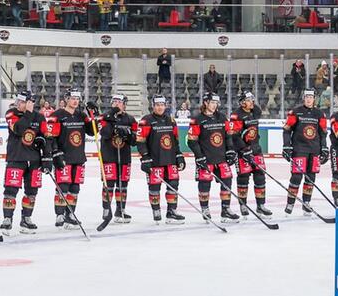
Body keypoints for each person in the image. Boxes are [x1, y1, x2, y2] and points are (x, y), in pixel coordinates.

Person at [0, 90, 50, 236]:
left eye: (24, 102)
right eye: (19, 101)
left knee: (32, 191)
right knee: (10, 190)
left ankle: (26, 218)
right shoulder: (11, 113)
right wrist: (28, 113)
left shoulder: (40, 117)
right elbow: (19, 129)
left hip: (34, 160)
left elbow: (47, 138)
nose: (19, 104)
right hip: (16, 158)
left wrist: (47, 157)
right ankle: (7, 219)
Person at [187, 93, 238, 223]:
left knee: (227, 181)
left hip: (221, 157)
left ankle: (225, 210)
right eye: (212, 103)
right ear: (205, 103)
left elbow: (228, 136)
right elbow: (192, 141)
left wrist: (231, 150)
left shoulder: (222, 117)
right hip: (206, 158)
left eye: (216, 103)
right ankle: (205, 209)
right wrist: (199, 156)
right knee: (205, 184)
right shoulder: (197, 119)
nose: (214, 105)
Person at [136, 95, 186, 224]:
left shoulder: (171, 120)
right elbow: (140, 141)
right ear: (153, 105)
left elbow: (175, 141)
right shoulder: (146, 120)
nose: (160, 107)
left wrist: (179, 155)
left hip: (170, 160)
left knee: (173, 185)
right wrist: (145, 157)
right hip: (155, 161)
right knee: (154, 187)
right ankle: (156, 211)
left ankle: (171, 212)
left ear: (165, 106)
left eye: (162, 105)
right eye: (157, 105)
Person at [281, 89, 328, 215]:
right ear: (303, 98)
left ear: (314, 99)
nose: (308, 99)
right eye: (306, 97)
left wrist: (324, 147)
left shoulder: (320, 114)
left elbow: (323, 133)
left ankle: (306, 203)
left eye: (311, 97)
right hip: (299, 149)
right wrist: (286, 146)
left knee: (311, 177)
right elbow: (286, 130)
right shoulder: (295, 112)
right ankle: (290, 203)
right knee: (296, 177)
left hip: (314, 150)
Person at [95, 93, 137, 224]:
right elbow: (105, 133)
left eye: (119, 102)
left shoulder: (130, 119)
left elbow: (135, 141)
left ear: (124, 104)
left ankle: (121, 210)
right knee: (109, 184)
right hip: (108, 156)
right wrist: (113, 123)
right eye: (114, 102)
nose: (116, 104)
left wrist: (128, 134)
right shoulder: (104, 117)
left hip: (124, 156)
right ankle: (106, 210)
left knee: (123, 185)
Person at [230, 91, 271, 217]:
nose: (252, 102)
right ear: (242, 102)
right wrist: (243, 149)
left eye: (252, 100)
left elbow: (258, 109)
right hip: (242, 151)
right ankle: (243, 204)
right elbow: (234, 136)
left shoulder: (254, 112)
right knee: (243, 177)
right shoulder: (236, 115)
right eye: (249, 100)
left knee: (260, 176)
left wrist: (250, 98)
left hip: (256, 149)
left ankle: (261, 205)